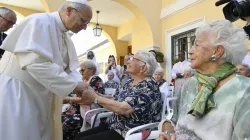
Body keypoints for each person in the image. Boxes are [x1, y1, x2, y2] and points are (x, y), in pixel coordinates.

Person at [0, 0, 92, 139]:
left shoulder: (64, 36)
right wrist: (74, 85)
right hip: (19, 93)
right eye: (83, 20)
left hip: (39, 94)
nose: (85, 27)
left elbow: (69, 68)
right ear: (69, 11)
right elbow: (36, 63)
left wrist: (81, 84)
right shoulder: (40, 22)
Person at [157, 20, 250, 140]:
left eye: (196, 45)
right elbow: (174, 120)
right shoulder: (190, 84)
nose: (190, 51)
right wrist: (167, 132)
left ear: (217, 51)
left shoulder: (244, 90)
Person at [74, 51, 162, 140]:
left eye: (133, 59)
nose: (128, 61)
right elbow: (115, 99)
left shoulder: (148, 85)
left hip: (129, 132)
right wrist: (95, 93)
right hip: (114, 125)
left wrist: (95, 98)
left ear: (143, 68)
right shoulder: (129, 82)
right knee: (78, 137)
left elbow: (124, 108)